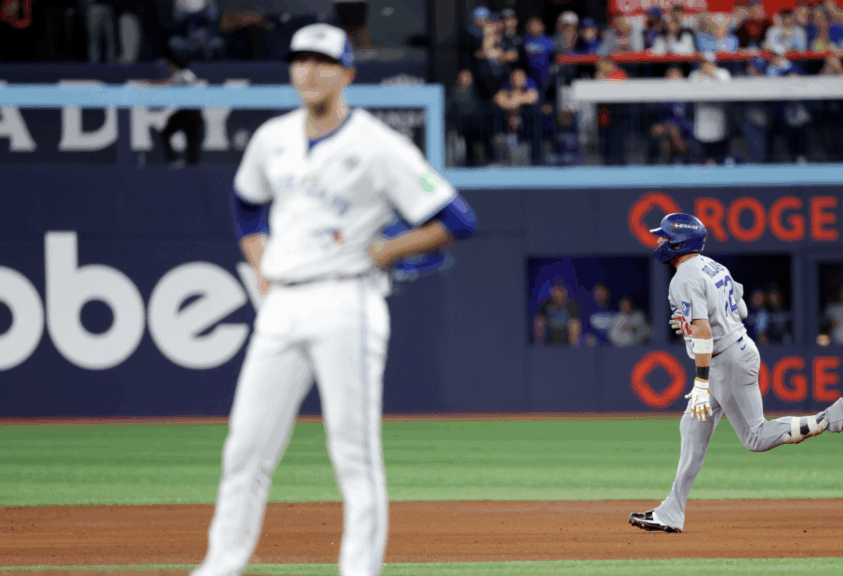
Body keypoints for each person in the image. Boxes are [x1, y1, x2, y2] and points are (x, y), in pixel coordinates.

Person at [190, 23, 478, 576]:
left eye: (323, 61)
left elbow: (456, 219)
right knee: (244, 451)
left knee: (353, 457)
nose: (310, 71)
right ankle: (220, 567)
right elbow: (247, 205)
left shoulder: (379, 145)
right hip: (282, 305)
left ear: (347, 73)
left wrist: (385, 252)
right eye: (301, 60)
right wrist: (259, 263)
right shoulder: (272, 137)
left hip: (347, 303)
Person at [629, 213, 843, 534]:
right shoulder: (714, 266)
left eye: (665, 237)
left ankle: (834, 417)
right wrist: (696, 322)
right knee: (691, 431)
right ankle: (671, 512)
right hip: (732, 352)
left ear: (679, 243)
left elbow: (705, 331)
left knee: (756, 437)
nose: (660, 241)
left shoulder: (684, 278)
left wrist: (702, 382)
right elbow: (741, 310)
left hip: (726, 361)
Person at [156, 55, 206, 167]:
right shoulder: (186, 74)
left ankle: (175, 161)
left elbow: (167, 83)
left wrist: (148, 85)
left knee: (167, 134)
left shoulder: (182, 75)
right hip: (192, 114)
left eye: (171, 66)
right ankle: (180, 162)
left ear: (176, 66)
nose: (169, 68)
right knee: (190, 147)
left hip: (190, 114)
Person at [689, 52, 731, 165]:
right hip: (702, 124)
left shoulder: (723, 73)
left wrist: (712, 74)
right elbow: (692, 92)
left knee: (719, 159)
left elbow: (727, 90)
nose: (707, 65)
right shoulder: (695, 75)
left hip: (719, 122)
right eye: (704, 63)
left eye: (709, 63)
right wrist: (704, 75)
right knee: (703, 160)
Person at [534, 280, 582, 345]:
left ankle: (574, 348)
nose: (559, 295)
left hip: (565, 334)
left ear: (565, 293)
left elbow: (575, 321)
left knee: (574, 324)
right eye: (557, 292)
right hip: (551, 332)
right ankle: (539, 346)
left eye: (561, 292)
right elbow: (540, 318)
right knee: (539, 321)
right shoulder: (547, 304)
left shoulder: (571, 305)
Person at [585, 281, 615, 346]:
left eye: (602, 291)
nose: (600, 293)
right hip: (594, 346)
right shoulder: (588, 311)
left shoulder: (614, 311)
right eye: (597, 291)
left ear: (607, 293)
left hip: (613, 344)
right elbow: (586, 331)